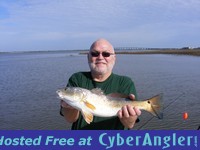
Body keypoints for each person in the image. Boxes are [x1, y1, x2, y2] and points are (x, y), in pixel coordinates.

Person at [60, 38, 141, 130]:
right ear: (88, 57)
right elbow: (70, 119)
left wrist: (130, 117)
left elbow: (129, 125)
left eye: (106, 54)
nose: (100, 57)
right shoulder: (77, 78)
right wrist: (69, 106)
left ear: (114, 58)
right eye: (95, 54)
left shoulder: (125, 82)